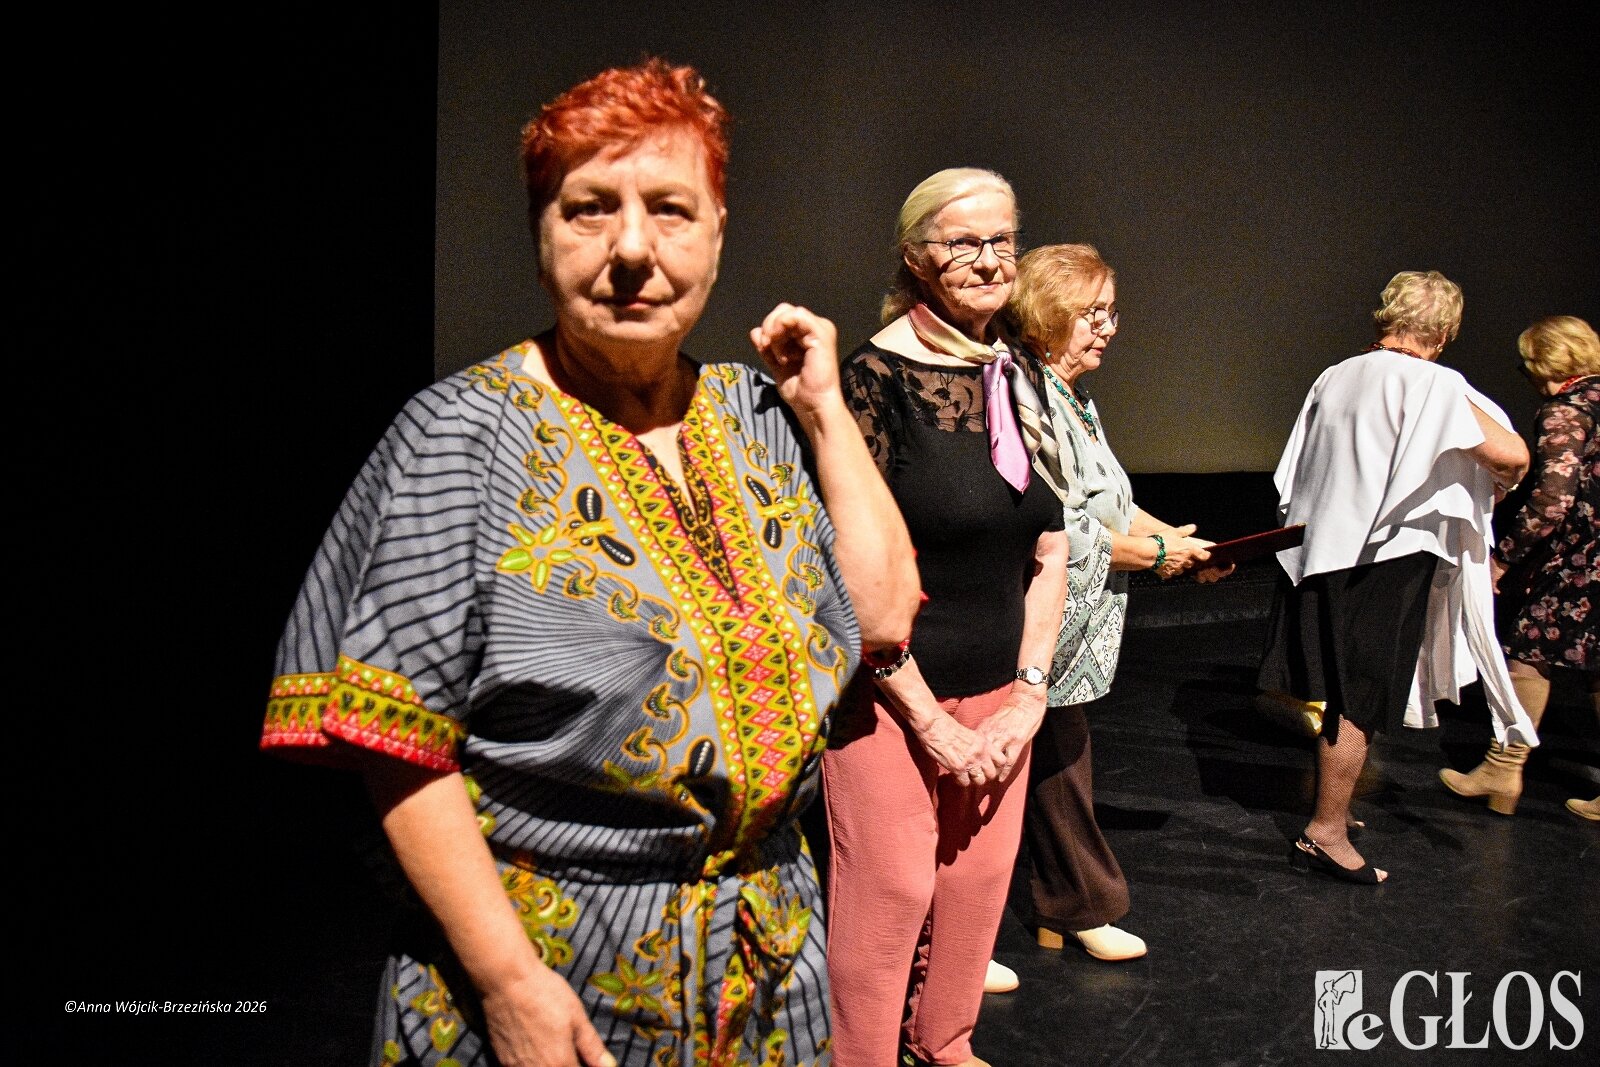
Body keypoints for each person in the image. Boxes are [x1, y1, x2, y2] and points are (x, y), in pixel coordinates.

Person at [261, 59, 919, 1067]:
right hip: (556, 968)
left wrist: (825, 411)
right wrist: (508, 981)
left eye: (670, 210)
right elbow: (396, 742)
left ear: (717, 233)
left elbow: (881, 618)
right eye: (588, 209)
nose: (632, 249)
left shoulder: (752, 413)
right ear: (540, 237)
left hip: (769, 966)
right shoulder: (459, 435)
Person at [823, 168, 1069, 1067]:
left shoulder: (1016, 373)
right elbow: (846, 574)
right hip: (888, 695)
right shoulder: (873, 380)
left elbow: (1051, 546)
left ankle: (947, 1044)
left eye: (1003, 239)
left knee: (977, 885)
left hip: (1001, 689)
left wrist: (1030, 694)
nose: (990, 259)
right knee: (890, 890)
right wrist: (930, 721)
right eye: (964, 242)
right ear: (915, 257)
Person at [1259, 270, 1535, 883]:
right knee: (1360, 700)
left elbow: (1296, 470)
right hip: (1384, 559)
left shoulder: (1336, 374)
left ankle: (1333, 809)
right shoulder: (1434, 383)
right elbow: (1513, 454)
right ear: (1444, 334)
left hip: (1323, 551)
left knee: (1342, 693)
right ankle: (1325, 832)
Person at [1003, 243, 1225, 965]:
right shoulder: (1023, 393)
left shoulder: (1074, 398)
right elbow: (1057, 523)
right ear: (1046, 316)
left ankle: (1072, 908)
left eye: (1110, 311)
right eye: (1090, 313)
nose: (1108, 327)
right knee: (1011, 765)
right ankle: (969, 931)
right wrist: (1157, 555)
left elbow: (1113, 504)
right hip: (1028, 617)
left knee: (1060, 755)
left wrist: (1183, 544)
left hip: (1072, 620)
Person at [1442, 315, 1598, 818]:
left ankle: (1502, 769)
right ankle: (1502, 772)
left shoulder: (1567, 411)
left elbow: (1554, 498)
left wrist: (1503, 558)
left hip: (1582, 563)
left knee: (1528, 651)